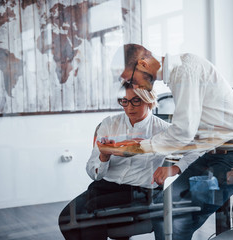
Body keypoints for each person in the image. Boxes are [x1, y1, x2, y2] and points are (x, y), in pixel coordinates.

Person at [107, 44, 233, 240]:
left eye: (131, 79)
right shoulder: (180, 72)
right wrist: (178, 167)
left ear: (143, 64)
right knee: (165, 211)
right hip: (218, 154)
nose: (134, 87)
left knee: (171, 217)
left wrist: (137, 147)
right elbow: (200, 133)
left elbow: (184, 131)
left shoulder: (184, 71)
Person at [58, 82, 171, 240]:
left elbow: (193, 151)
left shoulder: (164, 130)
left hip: (139, 191)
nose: (129, 107)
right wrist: (104, 157)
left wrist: (174, 169)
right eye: (124, 101)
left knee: (89, 216)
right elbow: (93, 173)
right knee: (65, 220)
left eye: (136, 101)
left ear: (150, 100)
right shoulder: (109, 124)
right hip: (104, 186)